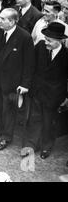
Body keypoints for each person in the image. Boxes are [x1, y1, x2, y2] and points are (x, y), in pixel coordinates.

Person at [0, 8, 34, 151]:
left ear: (11, 21)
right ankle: (0, 129)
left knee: (9, 110)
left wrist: (25, 84)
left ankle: (7, 136)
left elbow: (29, 65)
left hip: (13, 83)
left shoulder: (24, 38)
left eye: (2, 19)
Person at [23, 22, 68, 159]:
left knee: (49, 121)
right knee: (35, 118)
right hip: (37, 91)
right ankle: (31, 145)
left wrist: (67, 97)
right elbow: (30, 66)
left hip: (54, 96)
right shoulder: (40, 47)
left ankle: (46, 146)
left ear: (60, 40)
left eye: (50, 40)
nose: (46, 42)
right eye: (46, 39)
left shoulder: (66, 55)